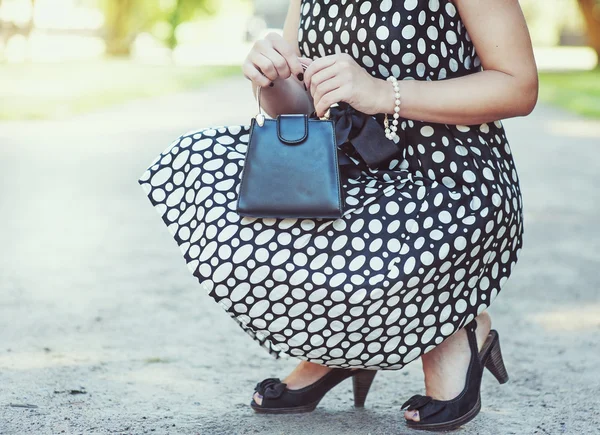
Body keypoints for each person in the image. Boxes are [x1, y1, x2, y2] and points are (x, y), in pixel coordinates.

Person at [139, 0, 538, 430]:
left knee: (379, 244)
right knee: (203, 161)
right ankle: (337, 343)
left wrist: (383, 93)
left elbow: (518, 86)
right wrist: (271, 76)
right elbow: (300, 107)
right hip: (343, 173)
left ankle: (454, 328)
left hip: (445, 179)